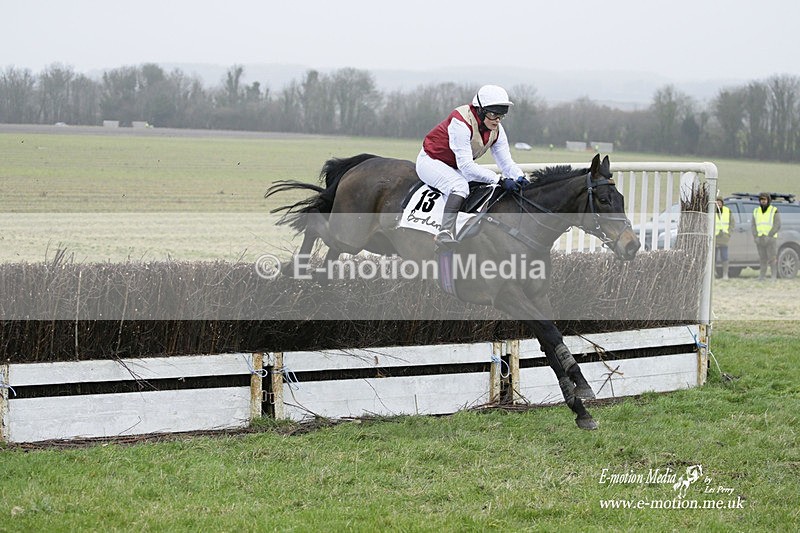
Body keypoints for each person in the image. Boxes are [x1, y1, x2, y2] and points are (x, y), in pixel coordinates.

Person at [416, 84, 528, 248]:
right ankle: (444, 232)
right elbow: (467, 167)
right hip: (431, 161)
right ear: (480, 110)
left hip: (455, 166)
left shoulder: (497, 129)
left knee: (488, 188)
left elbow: (506, 163)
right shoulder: (460, 123)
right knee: (459, 186)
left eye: (501, 116)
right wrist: (500, 180)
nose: (497, 120)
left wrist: (520, 177)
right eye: (493, 115)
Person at [751, 192, 782, 281]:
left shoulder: (774, 210)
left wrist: (770, 235)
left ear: (768, 200)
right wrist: (756, 236)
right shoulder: (756, 211)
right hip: (760, 238)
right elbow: (753, 225)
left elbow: (777, 224)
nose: (763, 201)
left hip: (770, 238)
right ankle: (762, 276)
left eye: (764, 199)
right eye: (761, 199)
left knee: (772, 258)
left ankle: (773, 276)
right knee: (762, 258)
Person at [714, 196, 735, 279]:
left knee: (724, 256)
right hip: (714, 238)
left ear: (722, 203)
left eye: (720, 202)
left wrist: (728, 234)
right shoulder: (712, 211)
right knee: (713, 257)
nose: (718, 204)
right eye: (717, 202)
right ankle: (713, 274)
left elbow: (732, 223)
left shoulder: (727, 211)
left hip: (724, 238)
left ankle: (725, 274)